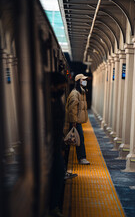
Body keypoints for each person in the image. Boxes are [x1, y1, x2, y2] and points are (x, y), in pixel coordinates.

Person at [47, 71, 67, 217]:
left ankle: (53, 205)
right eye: (61, 86)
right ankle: (52, 206)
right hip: (49, 145)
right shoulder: (45, 101)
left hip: (55, 144)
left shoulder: (56, 99)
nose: (62, 90)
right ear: (53, 85)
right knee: (58, 172)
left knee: (59, 172)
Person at [65, 73, 90, 165]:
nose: (85, 81)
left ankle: (81, 157)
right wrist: (74, 121)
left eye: (85, 79)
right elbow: (72, 109)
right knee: (80, 139)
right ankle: (82, 158)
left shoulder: (81, 92)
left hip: (77, 121)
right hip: (75, 121)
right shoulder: (75, 93)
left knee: (79, 139)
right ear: (78, 81)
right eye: (82, 79)